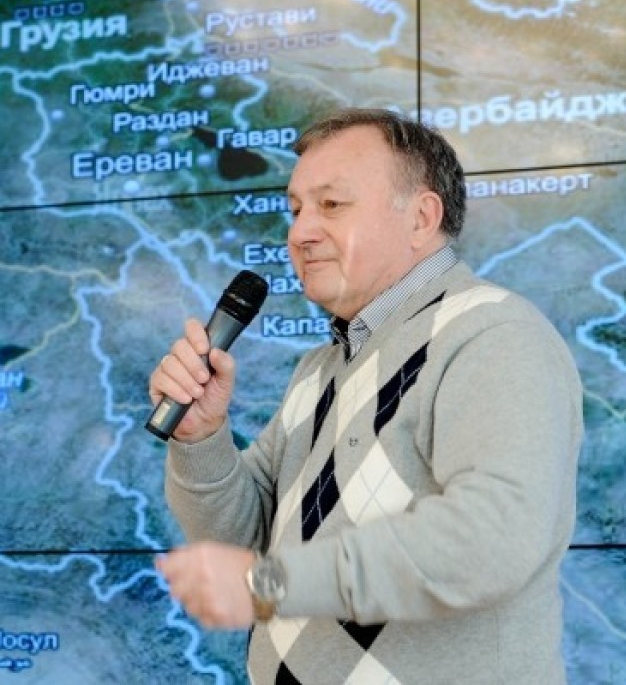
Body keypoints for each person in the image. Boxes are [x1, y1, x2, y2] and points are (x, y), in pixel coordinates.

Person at [150, 107, 583, 684]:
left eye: (331, 204)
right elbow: (246, 542)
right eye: (296, 210)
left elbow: (493, 540)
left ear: (421, 218)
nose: (300, 233)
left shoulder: (493, 334)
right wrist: (200, 436)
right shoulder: (319, 368)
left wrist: (273, 584)